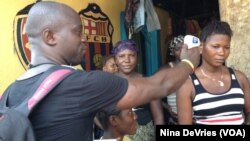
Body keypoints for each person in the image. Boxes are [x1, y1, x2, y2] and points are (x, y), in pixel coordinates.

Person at [3, 1, 200, 141]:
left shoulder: (9, 94)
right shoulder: (79, 84)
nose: (83, 40)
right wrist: (188, 63)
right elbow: (160, 85)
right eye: (77, 32)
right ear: (50, 36)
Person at [176, 20, 250, 125]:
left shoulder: (239, 78)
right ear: (201, 47)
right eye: (215, 47)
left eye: (226, 47)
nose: (222, 52)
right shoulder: (188, 84)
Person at [112, 40, 165, 141]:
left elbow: (158, 116)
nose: (127, 60)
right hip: (116, 134)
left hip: (144, 134)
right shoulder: (107, 82)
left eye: (132, 55)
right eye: (121, 56)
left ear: (137, 58)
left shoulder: (148, 83)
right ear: (115, 59)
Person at [161, 35, 184, 125]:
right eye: (178, 49)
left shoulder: (194, 68)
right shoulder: (167, 69)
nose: (182, 51)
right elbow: (152, 94)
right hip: (175, 118)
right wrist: (167, 107)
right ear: (172, 52)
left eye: (184, 48)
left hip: (194, 118)